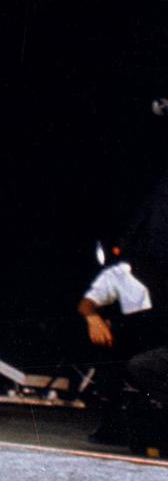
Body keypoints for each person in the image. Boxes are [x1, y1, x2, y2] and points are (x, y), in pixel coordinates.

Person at [80, 170, 168, 450]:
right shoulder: (160, 194)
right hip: (149, 284)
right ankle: (115, 420)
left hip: (158, 288)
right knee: (113, 339)